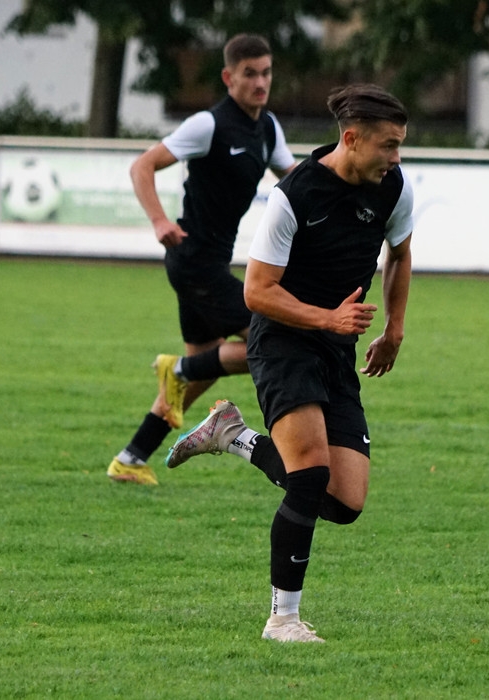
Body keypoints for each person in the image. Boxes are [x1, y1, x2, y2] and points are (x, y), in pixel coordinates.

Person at [164, 84, 414, 643]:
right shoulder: (294, 195)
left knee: (346, 501)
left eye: (400, 145)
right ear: (352, 139)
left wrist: (395, 328)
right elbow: (256, 291)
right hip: (282, 342)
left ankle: (233, 436)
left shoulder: (394, 188)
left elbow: (399, 254)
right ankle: (282, 619)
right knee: (309, 476)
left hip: (334, 349)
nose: (397, 158)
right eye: (389, 145)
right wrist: (328, 318)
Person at [106, 34, 296, 486]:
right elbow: (142, 166)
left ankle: (131, 458)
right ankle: (177, 369)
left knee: (199, 375)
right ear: (229, 77)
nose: (260, 82)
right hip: (194, 262)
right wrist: (158, 220)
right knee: (271, 341)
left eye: (266, 72)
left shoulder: (268, 128)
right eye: (249, 74)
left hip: (209, 265)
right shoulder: (208, 125)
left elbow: (295, 180)